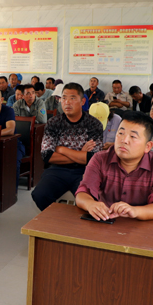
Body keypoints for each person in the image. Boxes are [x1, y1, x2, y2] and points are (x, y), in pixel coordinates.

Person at [76, 111, 153, 221]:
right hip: (105, 222)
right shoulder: (100, 159)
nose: (124, 140)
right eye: (121, 133)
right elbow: (83, 193)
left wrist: (135, 211)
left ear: (147, 146)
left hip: (141, 227)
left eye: (133, 136)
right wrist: (90, 204)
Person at [31, 83, 103, 212]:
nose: (67, 102)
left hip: (85, 171)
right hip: (57, 170)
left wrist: (61, 149)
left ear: (82, 101)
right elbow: (47, 156)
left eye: (72, 98)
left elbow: (92, 158)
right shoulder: (53, 123)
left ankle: (76, 224)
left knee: (93, 200)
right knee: (39, 194)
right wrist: (80, 154)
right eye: (64, 98)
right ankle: (57, 220)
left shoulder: (93, 124)